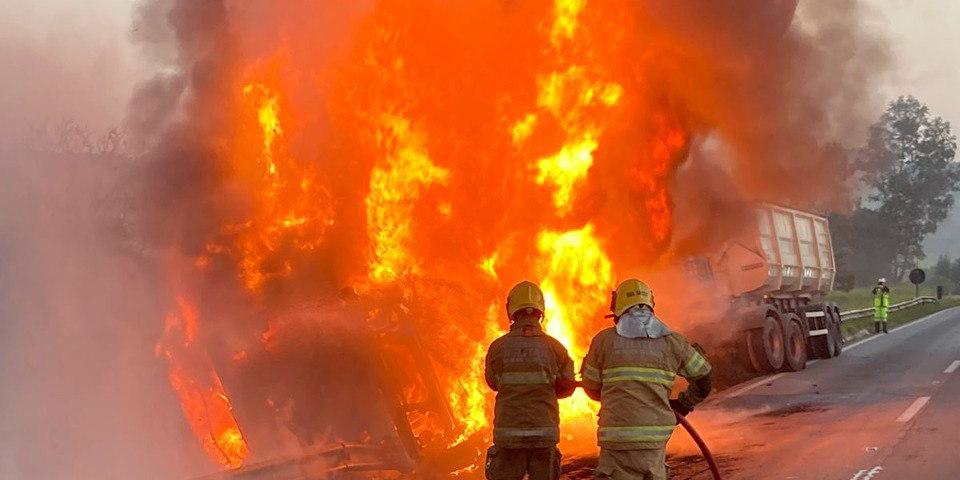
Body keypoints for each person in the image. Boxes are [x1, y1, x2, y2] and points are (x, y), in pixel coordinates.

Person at [581, 279, 712, 480]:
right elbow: (704, 378)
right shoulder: (672, 341)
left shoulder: (603, 341)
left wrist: (618, 396)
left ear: (617, 307)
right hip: (655, 441)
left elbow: (591, 388)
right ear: (651, 304)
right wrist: (684, 404)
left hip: (616, 440)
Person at [484, 281, 577, 480]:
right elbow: (568, 386)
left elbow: (492, 382)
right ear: (540, 310)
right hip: (544, 436)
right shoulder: (556, 348)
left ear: (511, 310)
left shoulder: (497, 348)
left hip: (508, 436)